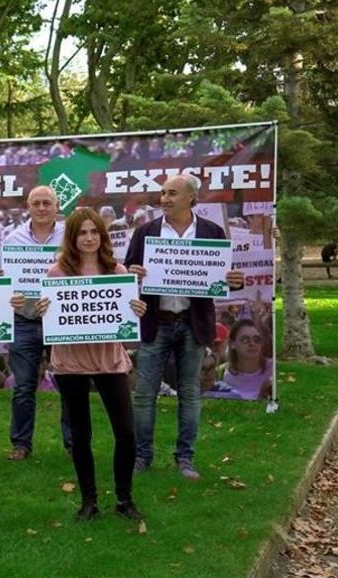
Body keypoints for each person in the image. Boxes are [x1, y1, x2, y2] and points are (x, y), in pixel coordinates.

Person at [126, 174, 245, 480]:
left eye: (172, 193)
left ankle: (185, 459)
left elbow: (222, 277)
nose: (164, 198)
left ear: (192, 197)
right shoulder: (145, 232)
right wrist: (132, 273)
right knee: (144, 394)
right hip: (156, 322)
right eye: (162, 192)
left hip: (193, 325)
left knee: (190, 394)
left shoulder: (212, 232)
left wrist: (234, 281)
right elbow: (126, 276)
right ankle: (142, 456)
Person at [30, 208, 147, 522]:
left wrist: (136, 307)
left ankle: (124, 499)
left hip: (109, 359)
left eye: (94, 232)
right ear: (72, 237)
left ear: (102, 235)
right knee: (80, 435)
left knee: (126, 432)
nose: (89, 238)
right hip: (71, 362)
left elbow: (126, 315)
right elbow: (51, 316)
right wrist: (44, 309)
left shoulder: (117, 270)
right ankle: (89, 501)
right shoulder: (57, 273)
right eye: (82, 232)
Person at [2, 186, 68, 460]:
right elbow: (3, 280)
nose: (41, 208)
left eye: (47, 203)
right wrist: (9, 296)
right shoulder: (13, 239)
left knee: (68, 384)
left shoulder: (70, 235)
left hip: (62, 321)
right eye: (36, 203)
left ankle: (73, 443)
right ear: (28, 206)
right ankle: (21, 444)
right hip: (25, 320)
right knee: (23, 387)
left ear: (57, 206)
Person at [220, 319, 273, 400]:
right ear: (232, 344)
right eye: (245, 339)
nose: (252, 343)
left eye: (256, 339)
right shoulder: (219, 373)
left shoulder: (276, 369)